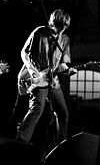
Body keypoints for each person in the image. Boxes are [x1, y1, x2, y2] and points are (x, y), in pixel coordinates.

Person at [16, 9, 77, 145]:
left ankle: (62, 145)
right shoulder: (39, 32)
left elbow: (63, 64)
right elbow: (24, 53)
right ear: (53, 23)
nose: (61, 31)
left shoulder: (65, 39)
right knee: (37, 109)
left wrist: (68, 71)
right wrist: (32, 70)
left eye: (65, 28)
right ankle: (20, 143)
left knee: (63, 113)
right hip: (37, 78)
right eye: (59, 27)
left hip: (53, 81)